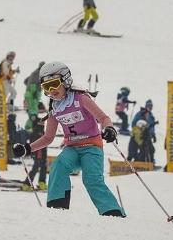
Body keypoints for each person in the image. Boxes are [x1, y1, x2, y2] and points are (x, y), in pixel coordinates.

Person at [12, 61, 125, 217]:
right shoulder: (54, 108)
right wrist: (27, 148)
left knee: (91, 180)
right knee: (59, 165)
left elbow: (103, 118)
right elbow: (48, 138)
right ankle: (57, 207)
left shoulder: (81, 98)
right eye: (47, 87)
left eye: (54, 84)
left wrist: (109, 129)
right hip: (72, 149)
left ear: (65, 81)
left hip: (91, 147)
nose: (51, 90)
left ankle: (113, 212)